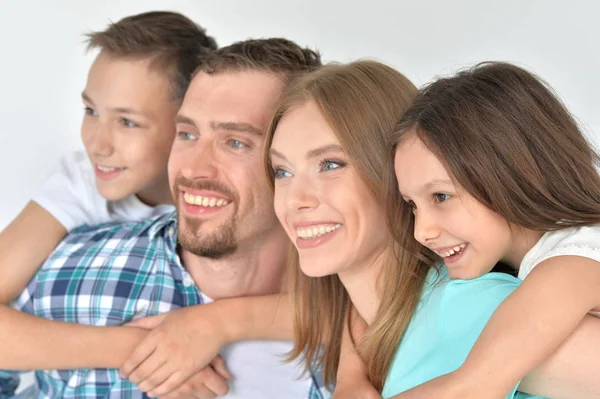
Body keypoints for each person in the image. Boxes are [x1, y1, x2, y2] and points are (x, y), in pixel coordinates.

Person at [0, 38, 327, 399]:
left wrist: (221, 322)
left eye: (236, 142)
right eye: (187, 134)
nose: (194, 167)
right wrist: (136, 351)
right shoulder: (65, 278)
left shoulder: (364, 312)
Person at [381, 61, 600, 398]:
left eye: (441, 196)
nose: (421, 232)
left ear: (510, 173)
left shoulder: (577, 260)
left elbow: (472, 388)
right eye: (412, 205)